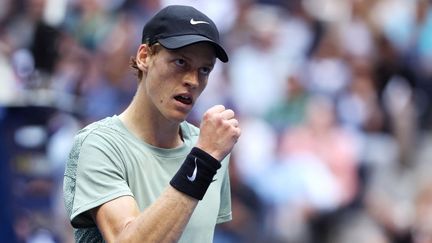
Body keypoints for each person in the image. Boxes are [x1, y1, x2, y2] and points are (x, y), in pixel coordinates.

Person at [63, 5, 241, 243]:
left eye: (204, 70)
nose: (193, 80)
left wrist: (206, 157)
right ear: (144, 57)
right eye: (180, 62)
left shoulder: (211, 150)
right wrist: (203, 161)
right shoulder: (97, 145)